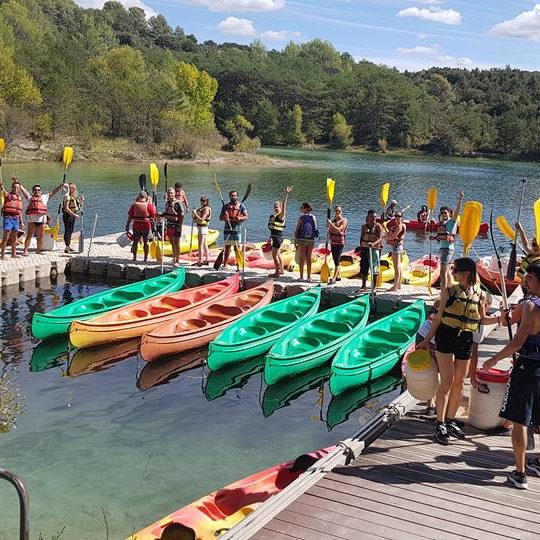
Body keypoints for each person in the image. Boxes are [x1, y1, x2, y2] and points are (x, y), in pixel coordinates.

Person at [418, 257, 500, 445]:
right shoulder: (449, 292)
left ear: (466, 274)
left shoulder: (479, 295)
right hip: (446, 336)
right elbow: (437, 319)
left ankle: (451, 420)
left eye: (455, 270)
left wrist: (500, 319)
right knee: (446, 382)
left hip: (465, 339)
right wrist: (427, 340)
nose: (452, 273)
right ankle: (440, 424)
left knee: (459, 384)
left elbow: (482, 320)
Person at [483, 264, 540, 489]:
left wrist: (493, 359)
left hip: (528, 368)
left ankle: (520, 473)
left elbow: (518, 341)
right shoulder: (525, 305)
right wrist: (506, 317)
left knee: (520, 421)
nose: (527, 282)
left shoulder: (529, 306)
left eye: (530, 278)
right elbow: (509, 320)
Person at [23, 181, 65, 256]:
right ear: (33, 191)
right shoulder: (29, 198)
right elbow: (23, 190)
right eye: (35, 190)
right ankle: (25, 251)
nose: (37, 191)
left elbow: (53, 192)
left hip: (42, 220)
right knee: (29, 235)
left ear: (41, 191)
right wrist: (16, 182)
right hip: (32, 220)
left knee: (41, 236)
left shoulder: (44, 197)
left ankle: (38, 250)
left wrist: (60, 186)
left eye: (39, 190)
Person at [433, 191, 463, 290]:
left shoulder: (451, 222)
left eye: (445, 213)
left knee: (442, 271)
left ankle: (443, 291)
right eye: (441, 213)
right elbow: (441, 237)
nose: (443, 214)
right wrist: (433, 237)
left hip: (447, 249)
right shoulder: (442, 223)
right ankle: (450, 289)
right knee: (446, 271)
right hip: (443, 248)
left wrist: (460, 199)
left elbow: (457, 211)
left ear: (449, 214)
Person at [1, 176, 29, 259]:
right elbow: (5, 192)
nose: (16, 189)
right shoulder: (8, 195)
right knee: (6, 237)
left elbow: (19, 211)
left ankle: (13, 254)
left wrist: (21, 221)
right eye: (14, 187)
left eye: (17, 187)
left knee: (14, 237)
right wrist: (2, 187)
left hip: (16, 219)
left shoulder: (19, 198)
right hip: (8, 218)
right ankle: (2, 255)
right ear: (12, 187)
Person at [219, 190, 247, 269]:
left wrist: (240, 217)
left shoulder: (241, 206)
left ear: (237, 196)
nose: (233, 197)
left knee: (237, 247)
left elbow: (246, 217)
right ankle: (225, 264)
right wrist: (225, 216)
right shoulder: (225, 206)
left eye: (234, 195)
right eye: (232, 195)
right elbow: (220, 218)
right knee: (227, 247)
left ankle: (238, 265)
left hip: (236, 229)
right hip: (227, 228)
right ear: (229, 196)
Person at [268, 186, 292, 278]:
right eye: (274, 207)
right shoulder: (273, 216)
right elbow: (272, 229)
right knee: (278, 254)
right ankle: (281, 270)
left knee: (274, 255)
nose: (275, 208)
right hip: (275, 236)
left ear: (280, 207)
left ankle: (277, 272)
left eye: (277, 207)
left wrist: (286, 194)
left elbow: (285, 205)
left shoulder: (281, 216)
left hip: (278, 237)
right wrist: (269, 238)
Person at [126, 191, 156, 262]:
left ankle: (134, 257)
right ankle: (145, 258)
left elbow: (130, 216)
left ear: (138, 197)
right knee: (146, 242)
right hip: (146, 226)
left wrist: (127, 225)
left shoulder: (134, 205)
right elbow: (153, 216)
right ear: (146, 197)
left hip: (136, 226)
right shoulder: (149, 206)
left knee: (135, 242)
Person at [358, 210, 384, 292]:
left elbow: (380, 239)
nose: (373, 219)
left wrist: (373, 244)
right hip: (365, 248)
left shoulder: (378, 226)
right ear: (368, 218)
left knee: (374, 268)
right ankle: (363, 286)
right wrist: (361, 246)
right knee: (364, 267)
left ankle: (374, 287)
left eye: (375, 218)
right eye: (372, 218)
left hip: (374, 249)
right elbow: (361, 238)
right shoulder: (364, 227)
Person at [294, 202, 318, 282]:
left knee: (302, 258)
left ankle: (301, 277)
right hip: (311, 239)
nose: (301, 209)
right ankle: (309, 277)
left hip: (302, 239)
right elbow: (315, 229)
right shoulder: (313, 217)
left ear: (305, 209)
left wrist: (295, 240)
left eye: (302, 207)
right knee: (308, 258)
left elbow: (297, 230)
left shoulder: (301, 218)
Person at [327, 206, 348, 285]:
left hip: (340, 242)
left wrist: (330, 224)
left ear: (341, 211)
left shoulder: (344, 220)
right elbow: (329, 229)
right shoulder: (333, 221)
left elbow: (339, 229)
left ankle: (334, 278)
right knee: (334, 258)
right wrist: (328, 224)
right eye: (336, 211)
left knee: (337, 260)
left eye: (339, 211)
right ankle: (338, 275)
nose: (337, 212)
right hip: (333, 242)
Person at [386, 211, 406, 292]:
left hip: (396, 247)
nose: (397, 218)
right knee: (399, 266)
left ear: (402, 217)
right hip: (399, 246)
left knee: (396, 267)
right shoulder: (402, 225)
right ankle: (399, 285)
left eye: (399, 217)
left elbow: (392, 237)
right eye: (396, 217)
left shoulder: (399, 227)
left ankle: (394, 286)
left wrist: (386, 237)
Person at [163, 188, 183, 265]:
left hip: (176, 225)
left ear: (174, 194)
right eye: (169, 193)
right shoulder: (167, 203)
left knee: (176, 243)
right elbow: (166, 214)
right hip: (169, 225)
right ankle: (174, 258)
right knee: (171, 242)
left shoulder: (178, 203)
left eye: (171, 193)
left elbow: (182, 215)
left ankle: (177, 260)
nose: (170, 195)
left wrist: (179, 226)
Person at [192, 195, 212, 267]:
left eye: (204, 201)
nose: (202, 202)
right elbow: (196, 220)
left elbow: (202, 219)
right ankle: (207, 260)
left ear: (207, 201)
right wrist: (194, 216)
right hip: (200, 228)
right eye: (201, 200)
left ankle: (200, 261)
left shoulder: (206, 209)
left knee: (200, 245)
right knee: (204, 245)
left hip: (203, 228)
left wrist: (195, 214)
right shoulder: (201, 208)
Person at [62, 183, 82, 253]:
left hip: (72, 215)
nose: (75, 190)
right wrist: (74, 215)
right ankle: (67, 246)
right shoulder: (67, 197)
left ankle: (69, 246)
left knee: (70, 231)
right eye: (73, 188)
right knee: (67, 231)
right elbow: (66, 209)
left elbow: (79, 206)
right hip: (68, 215)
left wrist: (81, 201)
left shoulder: (74, 197)